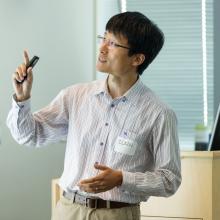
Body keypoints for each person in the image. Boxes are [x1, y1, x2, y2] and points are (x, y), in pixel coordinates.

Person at [7, 11, 181, 220]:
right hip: (68, 210)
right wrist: (22, 98)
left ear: (137, 58)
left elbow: (169, 180)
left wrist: (122, 179)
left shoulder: (159, 113)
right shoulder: (74, 96)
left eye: (113, 44)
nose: (102, 48)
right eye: (103, 39)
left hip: (118, 213)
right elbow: (29, 135)